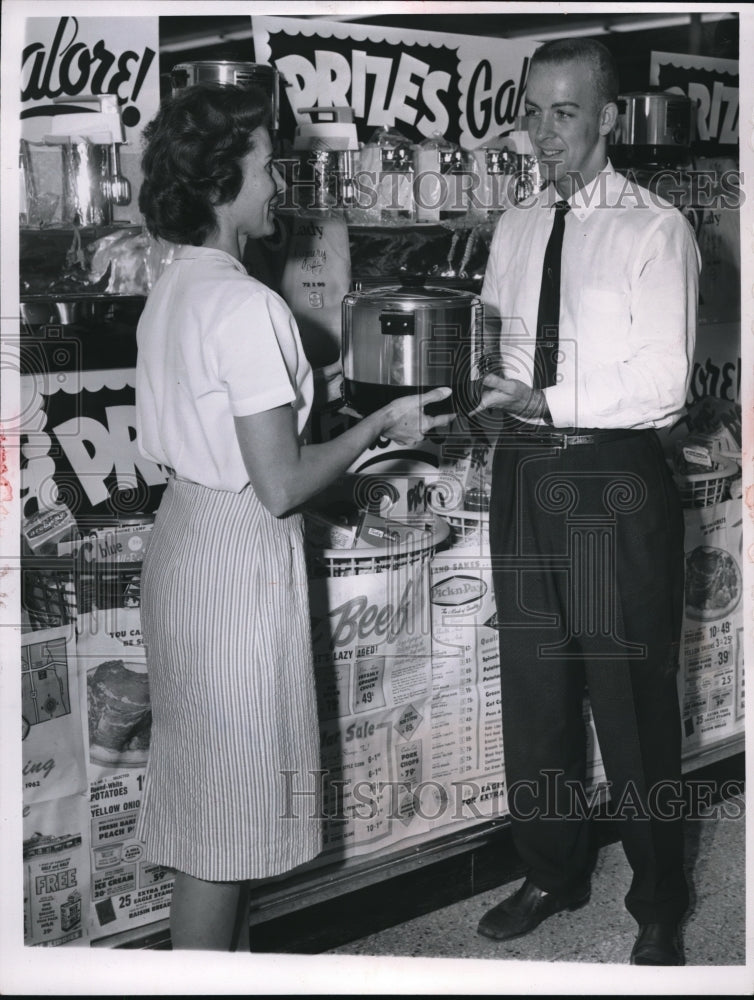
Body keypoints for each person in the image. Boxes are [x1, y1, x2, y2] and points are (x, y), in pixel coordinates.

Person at [133, 82, 454, 951]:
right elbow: (278, 484)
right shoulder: (248, 306)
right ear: (218, 182)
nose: (280, 182)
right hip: (237, 558)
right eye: (267, 164)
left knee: (209, 805)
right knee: (225, 834)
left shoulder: (176, 289)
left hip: (185, 541)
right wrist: (382, 425)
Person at [470, 39, 700, 965]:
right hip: (525, 472)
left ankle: (660, 897)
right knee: (536, 695)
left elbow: (665, 384)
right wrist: (483, 390)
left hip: (612, 477)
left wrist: (545, 401)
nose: (543, 131)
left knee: (633, 701)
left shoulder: (655, 228)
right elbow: (496, 344)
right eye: (532, 111)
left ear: (607, 118)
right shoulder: (515, 226)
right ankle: (554, 870)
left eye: (563, 113)